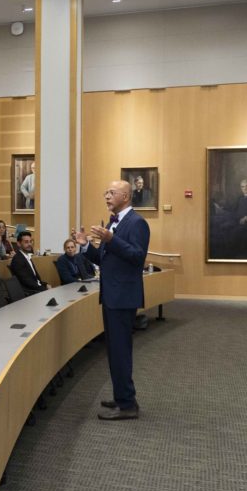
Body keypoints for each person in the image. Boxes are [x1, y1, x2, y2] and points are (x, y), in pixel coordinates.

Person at [74, 179, 150, 421]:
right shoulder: (113, 223)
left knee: (120, 351)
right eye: (105, 192)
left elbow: (137, 257)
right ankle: (121, 396)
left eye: (111, 192)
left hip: (123, 297)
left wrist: (110, 239)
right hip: (111, 295)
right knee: (115, 350)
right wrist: (86, 246)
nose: (106, 196)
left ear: (125, 196)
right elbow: (104, 259)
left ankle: (127, 404)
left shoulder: (137, 223)